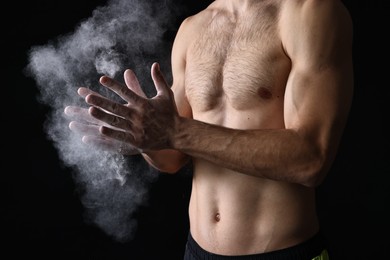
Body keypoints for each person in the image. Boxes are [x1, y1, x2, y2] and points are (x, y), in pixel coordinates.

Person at [64, 0, 353, 259]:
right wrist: (138, 134)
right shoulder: (193, 27)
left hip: (282, 252)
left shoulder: (310, 13)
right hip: (198, 251)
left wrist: (176, 132)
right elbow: (170, 158)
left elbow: (311, 160)